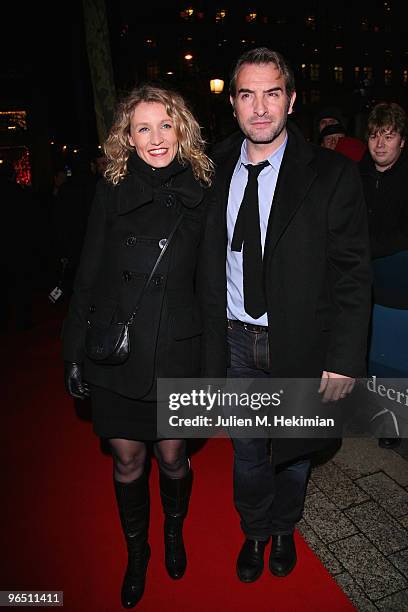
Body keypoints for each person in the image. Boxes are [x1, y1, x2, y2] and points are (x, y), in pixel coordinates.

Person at [201, 48, 371, 583]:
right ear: (233, 103)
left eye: (272, 93)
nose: (259, 107)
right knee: (248, 452)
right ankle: (255, 531)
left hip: (301, 343)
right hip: (233, 340)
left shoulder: (331, 174)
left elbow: (352, 274)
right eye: (247, 94)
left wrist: (344, 359)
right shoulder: (210, 166)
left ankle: (283, 528)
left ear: (291, 100)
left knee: (295, 452)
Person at [62, 84, 213, 609]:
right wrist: (73, 348)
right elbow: (89, 272)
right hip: (116, 349)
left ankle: (173, 529)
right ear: (127, 136)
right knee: (127, 462)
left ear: (182, 130)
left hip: (175, 348)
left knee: (173, 458)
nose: (156, 137)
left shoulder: (201, 191)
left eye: (165, 125)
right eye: (142, 127)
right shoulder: (111, 188)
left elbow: (213, 287)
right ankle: (137, 552)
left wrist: (212, 367)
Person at [359, 101, 408, 449]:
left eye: (388, 136)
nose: (380, 144)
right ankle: (389, 422)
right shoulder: (355, 174)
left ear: (402, 141)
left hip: (401, 289)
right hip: (368, 289)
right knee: (377, 362)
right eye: (375, 135)